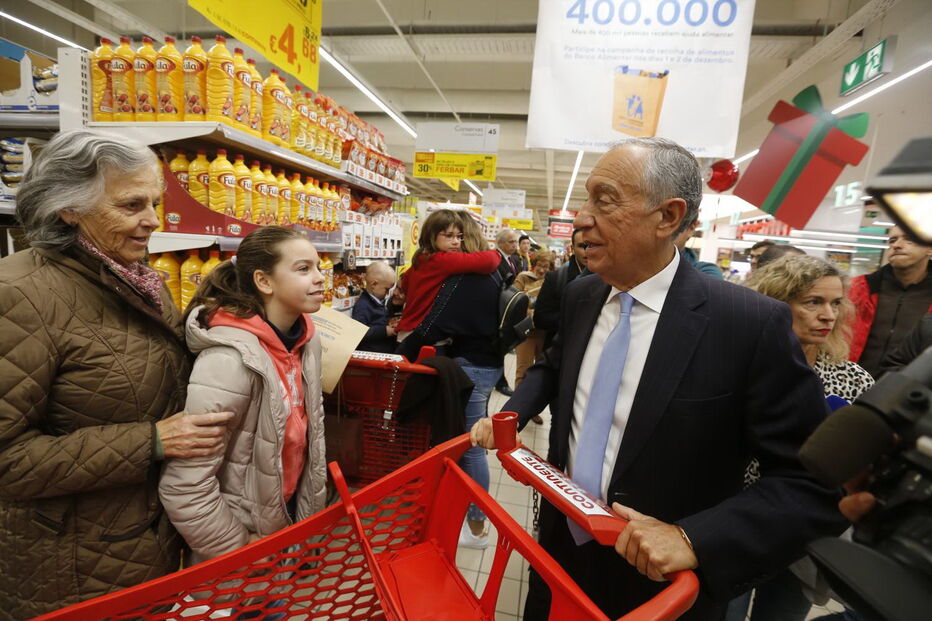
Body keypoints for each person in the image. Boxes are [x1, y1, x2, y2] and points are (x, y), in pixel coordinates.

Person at [470, 137, 846, 620]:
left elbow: (810, 482)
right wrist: (513, 411)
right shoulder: (584, 296)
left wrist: (695, 538)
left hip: (660, 584)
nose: (581, 217)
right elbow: (555, 366)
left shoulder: (747, 324)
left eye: (603, 201)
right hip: (560, 551)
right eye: (587, 199)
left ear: (668, 218)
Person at [0, 130, 232, 617]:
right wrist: (149, 441)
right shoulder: (18, 296)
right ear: (69, 209)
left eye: (154, 201)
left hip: (141, 546)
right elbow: (6, 459)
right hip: (71, 571)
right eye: (131, 206)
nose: (152, 220)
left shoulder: (137, 279)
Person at [159, 226, 327, 568]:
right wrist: (239, 549)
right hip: (240, 550)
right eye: (303, 269)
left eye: (319, 267)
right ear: (264, 282)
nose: (320, 278)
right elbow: (184, 485)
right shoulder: (229, 360)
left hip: (284, 529)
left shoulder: (307, 345)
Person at [730, 254, 874, 621]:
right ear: (775, 303)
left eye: (835, 303)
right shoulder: (738, 368)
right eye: (813, 302)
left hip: (802, 535)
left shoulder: (853, 379)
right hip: (735, 523)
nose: (828, 315)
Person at [396, 211, 505, 550]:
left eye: (460, 237)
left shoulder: (457, 273)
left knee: (471, 445)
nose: (457, 244)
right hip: (482, 362)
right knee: (466, 442)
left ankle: (476, 527)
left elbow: (437, 320)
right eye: (449, 236)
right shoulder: (464, 271)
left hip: (471, 363)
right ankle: (466, 519)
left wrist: (406, 346)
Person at [395, 209, 500, 343]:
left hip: (408, 332)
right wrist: (497, 253)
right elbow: (490, 261)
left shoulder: (421, 258)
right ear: (432, 236)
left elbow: (404, 285)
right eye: (449, 236)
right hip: (422, 336)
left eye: (458, 236)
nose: (456, 241)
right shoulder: (443, 261)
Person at [848, 226, 932, 378]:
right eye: (893, 240)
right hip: (848, 387)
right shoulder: (858, 289)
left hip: (904, 393)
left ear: (929, 249)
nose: (896, 245)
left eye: (909, 239)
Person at [514, 251, 554, 425]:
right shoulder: (523, 277)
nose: (543, 270)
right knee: (523, 370)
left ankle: (533, 410)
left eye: (546, 267)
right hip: (526, 332)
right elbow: (513, 301)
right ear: (534, 265)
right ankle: (516, 409)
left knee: (540, 373)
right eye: (540, 266)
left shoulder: (552, 282)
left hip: (544, 333)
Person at [535, 227, 589, 349]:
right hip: (560, 350)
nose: (587, 251)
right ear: (572, 248)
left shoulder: (608, 278)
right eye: (582, 246)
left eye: (591, 245)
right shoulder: (556, 278)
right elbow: (540, 318)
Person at [494, 228, 521, 395]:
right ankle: (500, 381)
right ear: (500, 243)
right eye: (511, 242)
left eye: (515, 241)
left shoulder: (511, 259)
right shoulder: (496, 259)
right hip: (498, 309)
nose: (514, 245)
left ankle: (499, 379)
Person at [352, 261, 399, 353]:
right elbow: (359, 332)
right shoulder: (363, 305)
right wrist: (385, 331)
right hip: (371, 354)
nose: (388, 293)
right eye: (387, 289)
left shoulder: (378, 302)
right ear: (374, 284)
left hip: (382, 351)